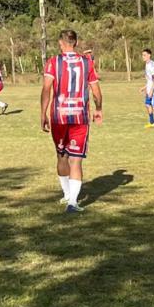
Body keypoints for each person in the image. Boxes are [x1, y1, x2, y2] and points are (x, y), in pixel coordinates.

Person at [41, 30, 103, 213]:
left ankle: (67, 194)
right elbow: (97, 91)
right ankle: (72, 202)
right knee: (76, 160)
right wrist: (98, 109)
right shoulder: (87, 63)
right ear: (75, 42)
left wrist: (42, 113)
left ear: (61, 43)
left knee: (61, 155)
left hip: (59, 116)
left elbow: (46, 90)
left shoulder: (53, 62)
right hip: (80, 116)